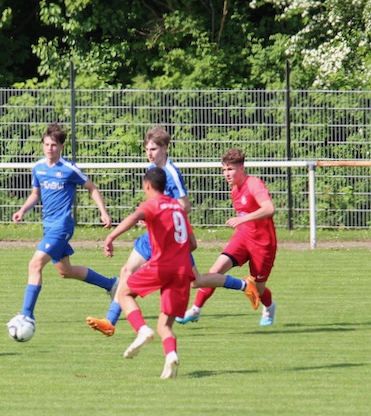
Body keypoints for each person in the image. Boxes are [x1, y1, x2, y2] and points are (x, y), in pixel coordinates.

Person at [86, 126, 258, 336]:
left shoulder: (172, 173)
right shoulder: (152, 169)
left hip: (171, 238)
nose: (149, 153)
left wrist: (160, 215)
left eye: (154, 149)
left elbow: (185, 205)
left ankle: (244, 285)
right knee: (129, 271)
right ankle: (109, 322)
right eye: (147, 149)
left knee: (195, 281)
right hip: (155, 236)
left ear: (165, 148)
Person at [9, 123, 118, 332]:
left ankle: (27, 316)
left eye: (54, 145)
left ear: (61, 147)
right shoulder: (38, 168)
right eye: (46, 144)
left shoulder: (68, 169)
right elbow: (35, 194)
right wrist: (22, 210)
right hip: (48, 227)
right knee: (65, 271)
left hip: (62, 227)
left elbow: (91, 187)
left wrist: (103, 212)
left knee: (35, 265)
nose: (50, 148)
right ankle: (111, 284)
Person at [101, 167, 197, 379]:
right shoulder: (178, 207)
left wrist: (111, 237)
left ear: (147, 185)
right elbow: (192, 244)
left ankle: (142, 330)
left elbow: (134, 217)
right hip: (182, 270)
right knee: (165, 325)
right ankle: (171, 356)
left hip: (162, 266)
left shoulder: (152, 204)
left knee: (124, 293)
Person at [177, 148, 277, 326]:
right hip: (242, 238)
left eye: (230, 169)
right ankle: (195, 310)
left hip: (263, 244)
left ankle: (269, 307)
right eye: (224, 169)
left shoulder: (254, 184)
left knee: (258, 288)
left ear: (242, 168)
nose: (226, 174)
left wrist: (243, 219)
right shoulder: (234, 190)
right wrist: (243, 223)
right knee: (214, 271)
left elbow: (269, 209)